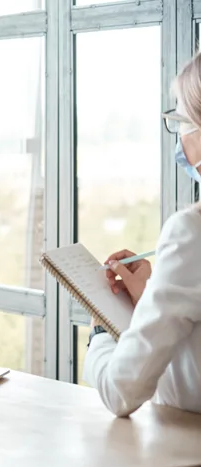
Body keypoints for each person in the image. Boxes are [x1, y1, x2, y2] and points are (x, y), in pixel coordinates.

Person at [83, 50, 201, 416]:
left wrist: (102, 330)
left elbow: (121, 392)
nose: (179, 133)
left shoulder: (190, 231)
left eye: (180, 118)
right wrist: (154, 294)